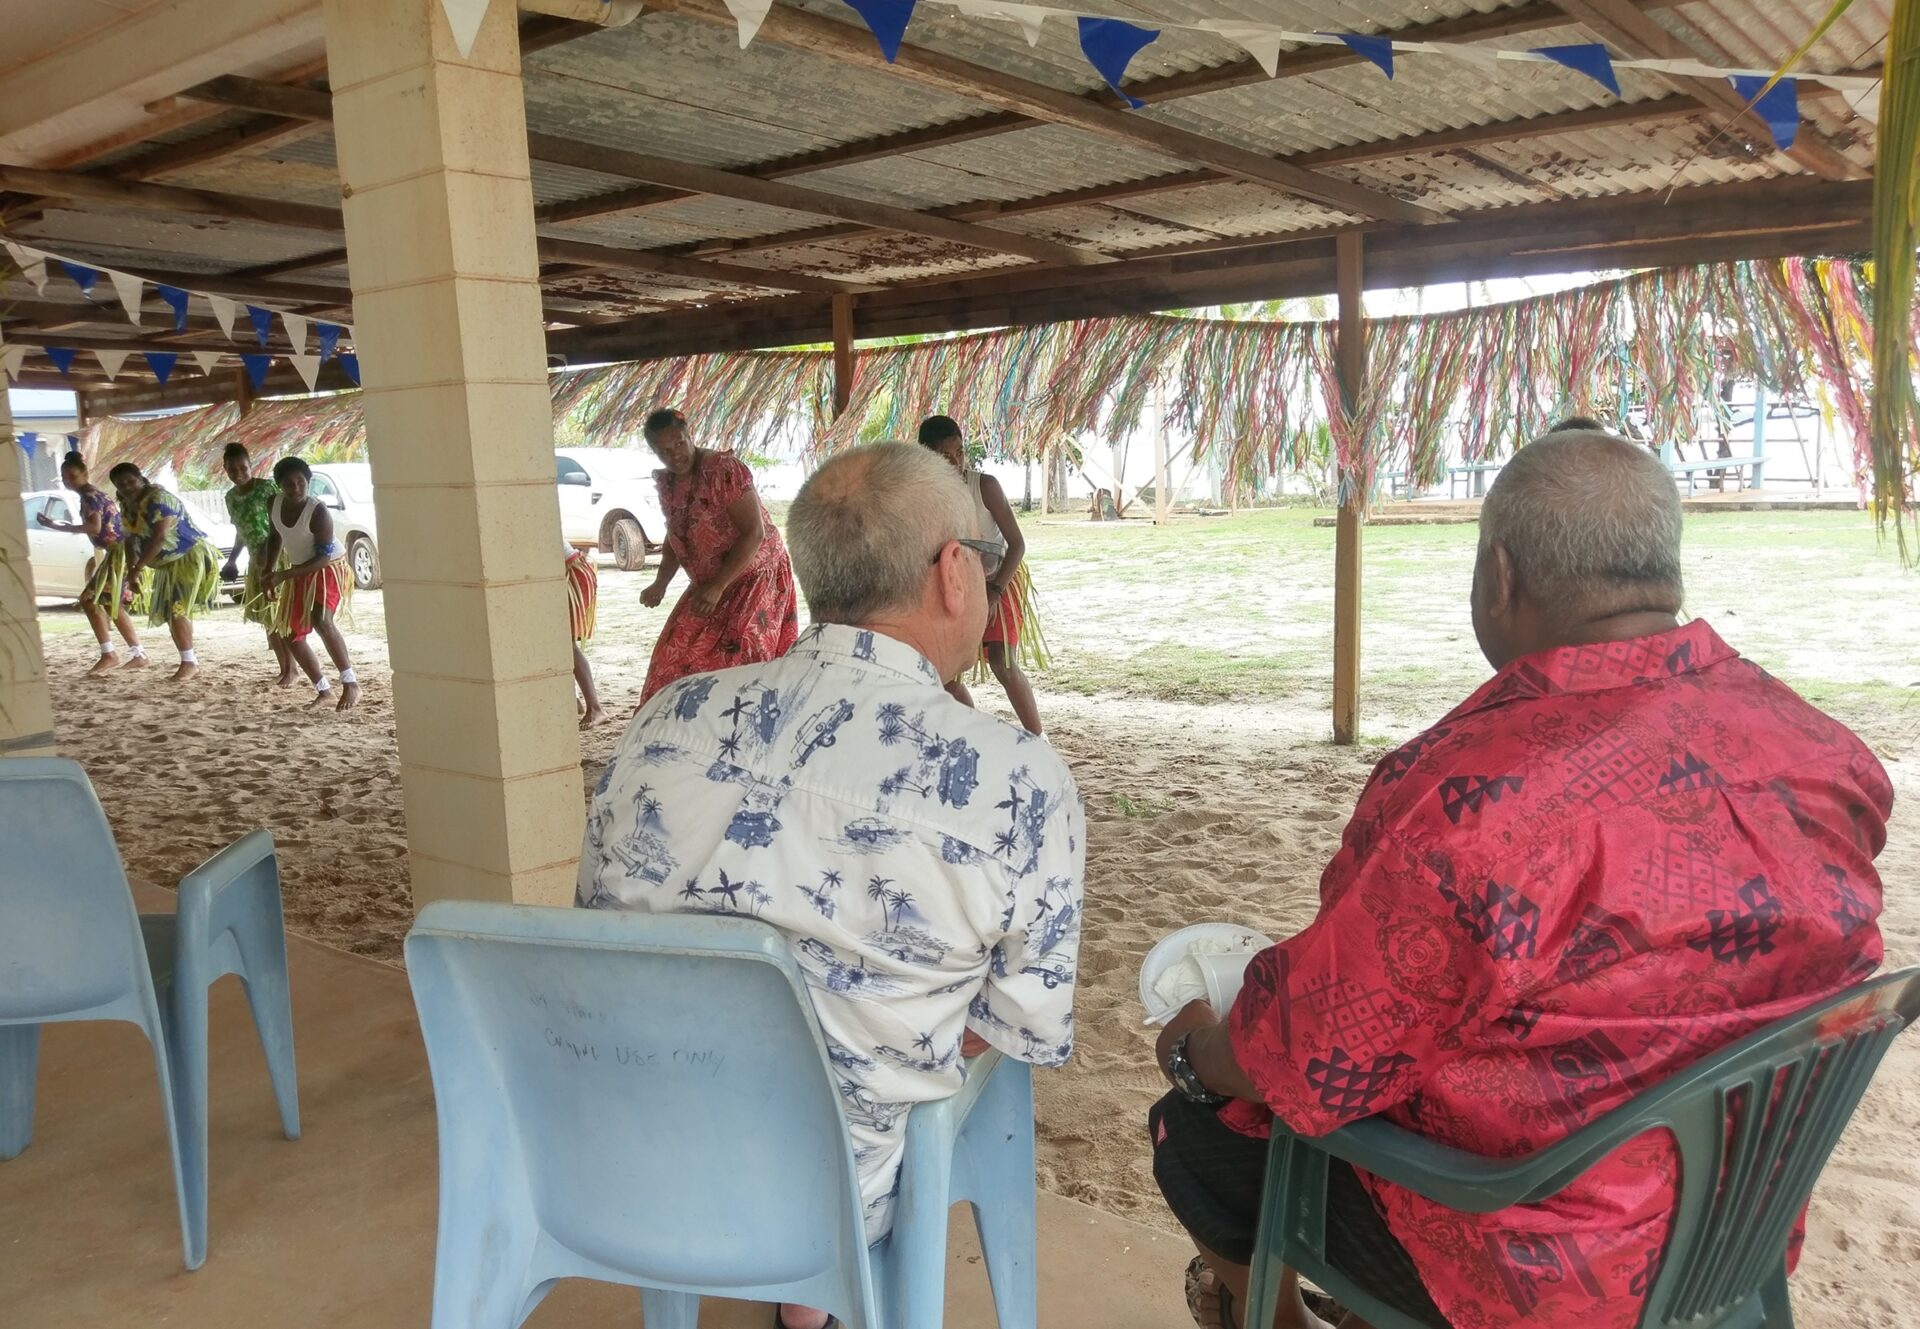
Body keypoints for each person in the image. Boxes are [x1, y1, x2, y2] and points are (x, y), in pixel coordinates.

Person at [1147, 428, 1890, 1329]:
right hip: (1738, 1228)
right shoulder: (1823, 751)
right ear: (1663, 571)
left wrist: (1194, 1054)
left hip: (1536, 1262)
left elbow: (1312, 1051)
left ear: (1499, 576)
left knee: (1197, 1133)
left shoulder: (1473, 803)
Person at [580, 443, 1084, 1329]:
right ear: (953, 573)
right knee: (938, 1055)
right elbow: (1017, 1025)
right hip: (830, 1191)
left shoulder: (667, 716)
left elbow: (600, 921)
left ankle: (801, 1308)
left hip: (627, 1149)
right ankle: (812, 1301)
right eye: (983, 555)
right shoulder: (1017, 779)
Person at [636, 407, 799, 704]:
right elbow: (675, 534)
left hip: (754, 576)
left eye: (679, 444)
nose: (675, 456)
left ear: (690, 436)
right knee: (672, 656)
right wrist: (660, 583)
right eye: (664, 451)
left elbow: (755, 532)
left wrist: (718, 585)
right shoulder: (669, 483)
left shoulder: (723, 469)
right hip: (710, 583)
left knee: (741, 659)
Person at [918, 415, 1046, 735]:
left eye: (959, 452)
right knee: (944, 672)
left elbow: (1017, 544)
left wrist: (994, 592)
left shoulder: (984, 486)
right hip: (960, 584)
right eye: (945, 456)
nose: (956, 462)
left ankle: (1038, 738)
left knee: (1002, 662)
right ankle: (973, 736)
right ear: (927, 456)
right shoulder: (925, 497)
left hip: (1000, 577)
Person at [259, 457, 359, 711]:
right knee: (290, 633)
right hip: (299, 571)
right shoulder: (273, 503)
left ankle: (351, 683)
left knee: (322, 620)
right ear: (279, 485)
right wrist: (268, 570)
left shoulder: (318, 511)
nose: (296, 488)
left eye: (301, 482)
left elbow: (324, 557)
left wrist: (284, 575)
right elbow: (275, 536)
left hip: (328, 568)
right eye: (289, 484)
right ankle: (324, 690)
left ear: (309, 482)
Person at [37, 451, 145, 674]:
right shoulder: (92, 494)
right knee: (110, 603)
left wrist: (58, 526)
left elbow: (94, 527)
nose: (68, 482)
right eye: (65, 478)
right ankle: (137, 653)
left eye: (73, 477)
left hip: (119, 552)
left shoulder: (90, 496)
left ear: (85, 473)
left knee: (89, 600)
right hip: (118, 552)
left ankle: (110, 654)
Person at [112, 461, 221, 682]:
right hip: (167, 565)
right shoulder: (127, 505)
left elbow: (159, 538)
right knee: (173, 613)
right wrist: (132, 569)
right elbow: (130, 539)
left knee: (177, 610)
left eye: (131, 481)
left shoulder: (160, 499)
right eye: (121, 484)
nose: (127, 487)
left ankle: (190, 663)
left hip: (188, 558)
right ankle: (188, 661)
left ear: (141, 479)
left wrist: (137, 569)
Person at [218, 442, 293, 685]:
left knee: (279, 615)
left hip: (276, 557)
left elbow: (280, 525)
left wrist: (267, 555)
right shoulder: (231, 498)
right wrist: (232, 560)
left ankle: (292, 669)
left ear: (251, 466)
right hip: (256, 560)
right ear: (225, 469)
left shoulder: (267, 489)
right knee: (267, 618)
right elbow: (241, 531)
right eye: (232, 469)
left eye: (243, 467)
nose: (238, 473)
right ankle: (284, 668)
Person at [565, 537, 606, 727]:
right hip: (571, 570)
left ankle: (595, 708)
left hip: (570, 572)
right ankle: (573, 701)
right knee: (559, 644)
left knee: (565, 644)